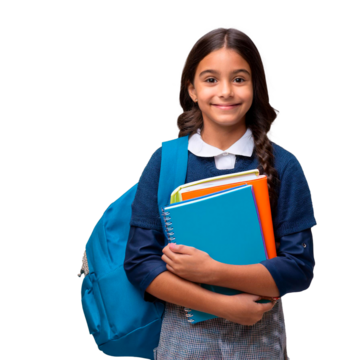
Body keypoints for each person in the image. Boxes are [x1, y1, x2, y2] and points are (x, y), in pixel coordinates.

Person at [124, 25, 317, 360]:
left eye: (239, 79)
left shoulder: (284, 167)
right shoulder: (166, 161)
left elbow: (299, 269)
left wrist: (213, 272)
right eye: (211, 79)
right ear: (192, 90)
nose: (225, 91)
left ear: (256, 87)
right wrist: (223, 306)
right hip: (183, 341)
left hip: (261, 342)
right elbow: (140, 263)